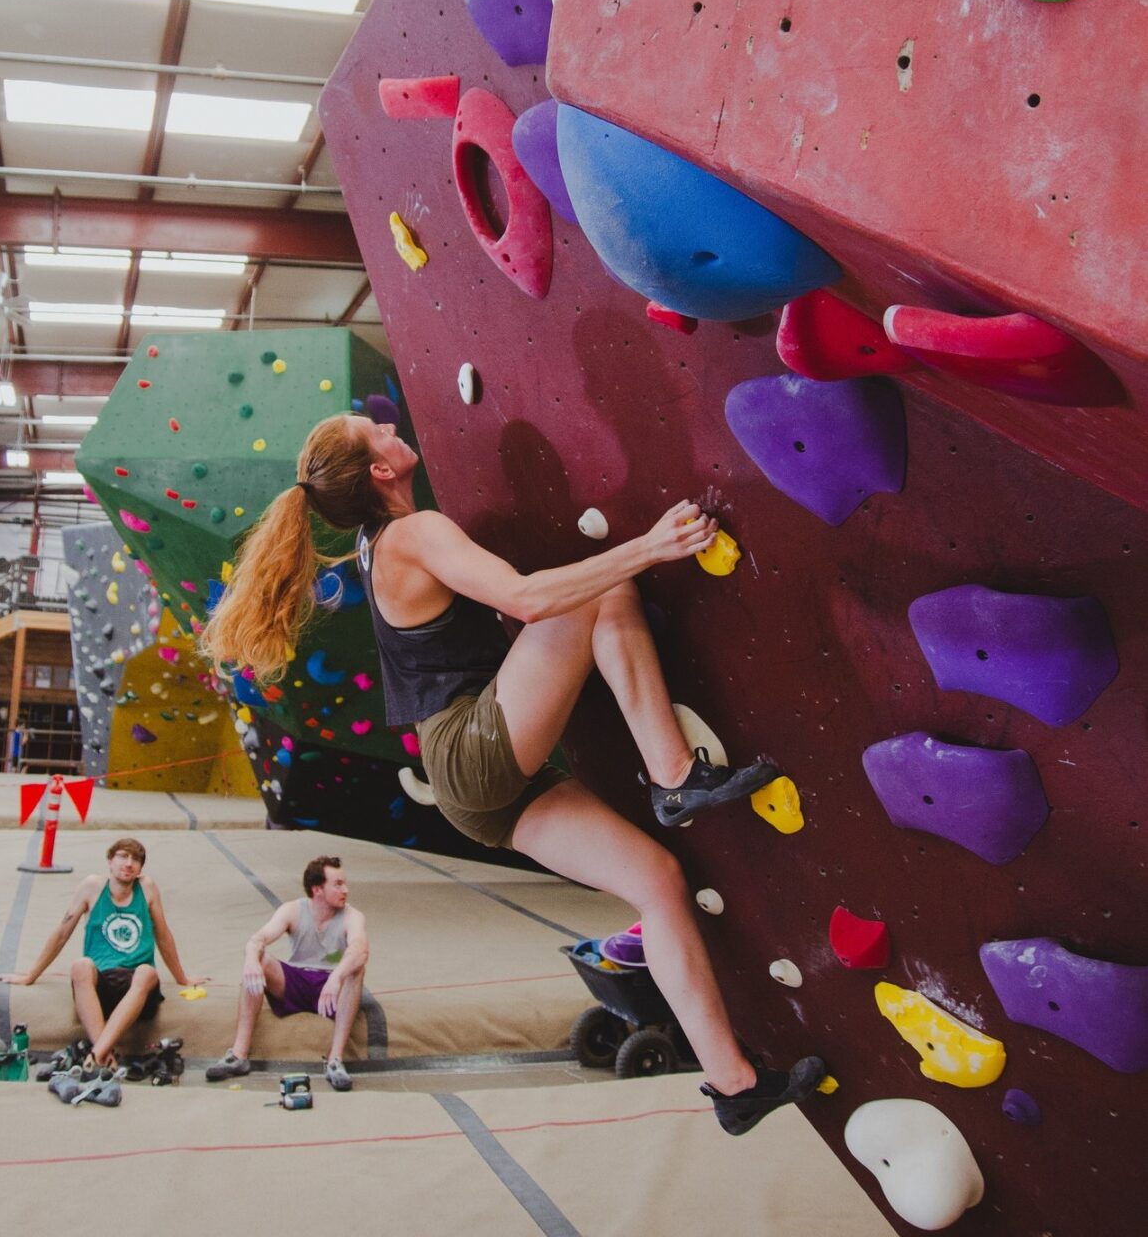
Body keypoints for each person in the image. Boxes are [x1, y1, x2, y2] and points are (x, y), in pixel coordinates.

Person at [202, 414, 826, 1135]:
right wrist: (650, 547)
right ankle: (673, 774)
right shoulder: (412, 532)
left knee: (657, 882)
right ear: (378, 470)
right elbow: (526, 599)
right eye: (370, 427)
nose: (384, 421)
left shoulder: (381, 545)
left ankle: (733, 1084)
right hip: (472, 747)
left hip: (474, 783)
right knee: (609, 588)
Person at [0, 837, 206, 1069]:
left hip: (136, 987)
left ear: (140, 869)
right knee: (80, 965)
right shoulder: (92, 887)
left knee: (147, 972)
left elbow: (163, 934)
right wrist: (30, 976)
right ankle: (105, 1053)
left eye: (135, 860)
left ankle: (96, 1055)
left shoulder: (147, 888)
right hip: (101, 985)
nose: (129, 863)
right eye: (123, 856)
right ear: (109, 861)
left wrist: (182, 978)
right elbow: (62, 933)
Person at [206, 853, 368, 1090]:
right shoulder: (292, 910)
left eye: (345, 883)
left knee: (357, 968)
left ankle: (335, 1060)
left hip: (332, 985)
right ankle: (239, 1055)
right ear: (317, 889)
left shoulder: (352, 916)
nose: (346, 889)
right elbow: (258, 939)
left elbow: (360, 949)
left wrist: (336, 977)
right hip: (297, 980)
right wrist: (252, 958)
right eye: (338, 884)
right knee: (260, 959)